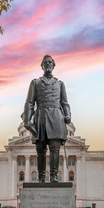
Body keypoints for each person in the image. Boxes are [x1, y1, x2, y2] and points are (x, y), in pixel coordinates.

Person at [22, 55, 71, 183]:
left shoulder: (60, 84)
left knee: (55, 148)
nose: (48, 64)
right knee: (41, 149)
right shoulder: (35, 83)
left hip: (56, 117)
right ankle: (41, 177)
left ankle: (54, 176)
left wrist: (67, 115)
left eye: (50, 62)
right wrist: (27, 121)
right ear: (42, 66)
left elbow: (65, 103)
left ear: (53, 65)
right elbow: (29, 102)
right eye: (45, 62)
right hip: (41, 117)